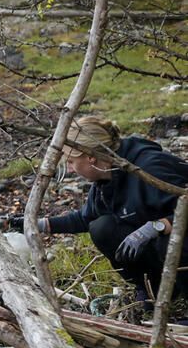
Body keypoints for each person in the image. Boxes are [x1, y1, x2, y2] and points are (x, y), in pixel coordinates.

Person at [15, 116, 188, 306]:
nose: (71, 170)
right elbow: (84, 219)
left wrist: (157, 226)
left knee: (169, 241)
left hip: (179, 239)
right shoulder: (105, 179)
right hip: (165, 248)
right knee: (102, 228)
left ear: (91, 157)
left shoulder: (150, 167)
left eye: (72, 162)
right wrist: (36, 224)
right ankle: (153, 288)